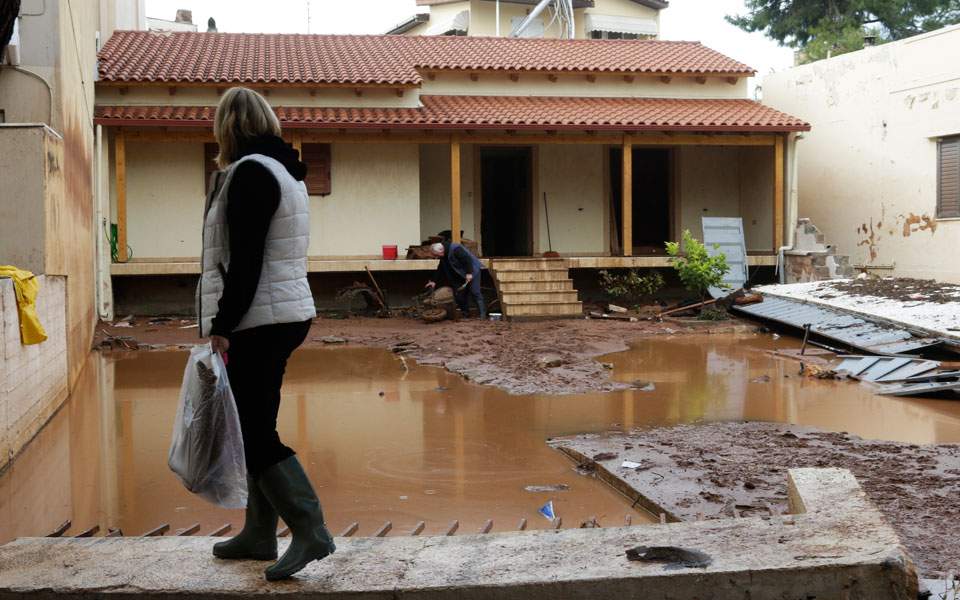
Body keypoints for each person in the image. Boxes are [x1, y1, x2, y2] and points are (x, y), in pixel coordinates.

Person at [198, 86, 334, 581]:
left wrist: (222, 326)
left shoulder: (252, 173)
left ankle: (309, 529)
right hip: (281, 313)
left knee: (256, 432)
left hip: (259, 319)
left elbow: (247, 259)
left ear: (227, 127)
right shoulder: (282, 170)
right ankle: (259, 533)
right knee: (253, 426)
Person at [426, 241, 486, 319]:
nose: (436, 257)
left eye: (437, 255)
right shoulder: (443, 254)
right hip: (460, 274)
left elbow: (467, 260)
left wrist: (469, 273)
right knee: (459, 294)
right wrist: (434, 281)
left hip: (472, 270)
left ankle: (482, 314)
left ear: (441, 250)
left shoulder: (456, 249)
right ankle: (466, 314)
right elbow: (440, 268)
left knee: (475, 291)